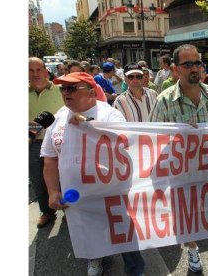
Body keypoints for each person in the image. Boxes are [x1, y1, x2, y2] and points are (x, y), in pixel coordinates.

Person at [149, 44, 208, 276]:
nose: (195, 68)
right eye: (188, 64)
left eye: (198, 63)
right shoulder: (164, 101)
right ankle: (192, 250)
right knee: (186, 215)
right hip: (182, 173)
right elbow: (152, 139)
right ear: (175, 69)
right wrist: (180, 136)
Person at [41, 72, 126, 276]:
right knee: (85, 230)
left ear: (91, 93)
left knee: (116, 232)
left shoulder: (109, 114)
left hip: (109, 193)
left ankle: (128, 262)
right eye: (63, 89)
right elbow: (50, 158)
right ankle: (94, 257)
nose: (65, 93)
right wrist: (53, 191)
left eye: (71, 88)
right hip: (76, 194)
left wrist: (89, 124)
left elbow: (126, 141)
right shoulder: (58, 116)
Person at [112, 63, 158, 276]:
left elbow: (161, 120)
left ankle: (153, 220)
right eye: (131, 77)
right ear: (126, 80)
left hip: (155, 150)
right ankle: (140, 222)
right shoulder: (120, 101)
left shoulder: (153, 95)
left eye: (138, 76)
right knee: (137, 187)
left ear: (144, 77)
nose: (135, 80)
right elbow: (117, 128)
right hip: (133, 153)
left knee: (154, 186)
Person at [28, 57, 64, 228]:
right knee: (38, 179)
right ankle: (46, 211)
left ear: (45, 70)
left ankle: (68, 208)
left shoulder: (61, 90)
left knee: (64, 177)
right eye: (30, 70)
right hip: (33, 144)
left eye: (38, 70)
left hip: (60, 142)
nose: (35, 74)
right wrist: (31, 129)